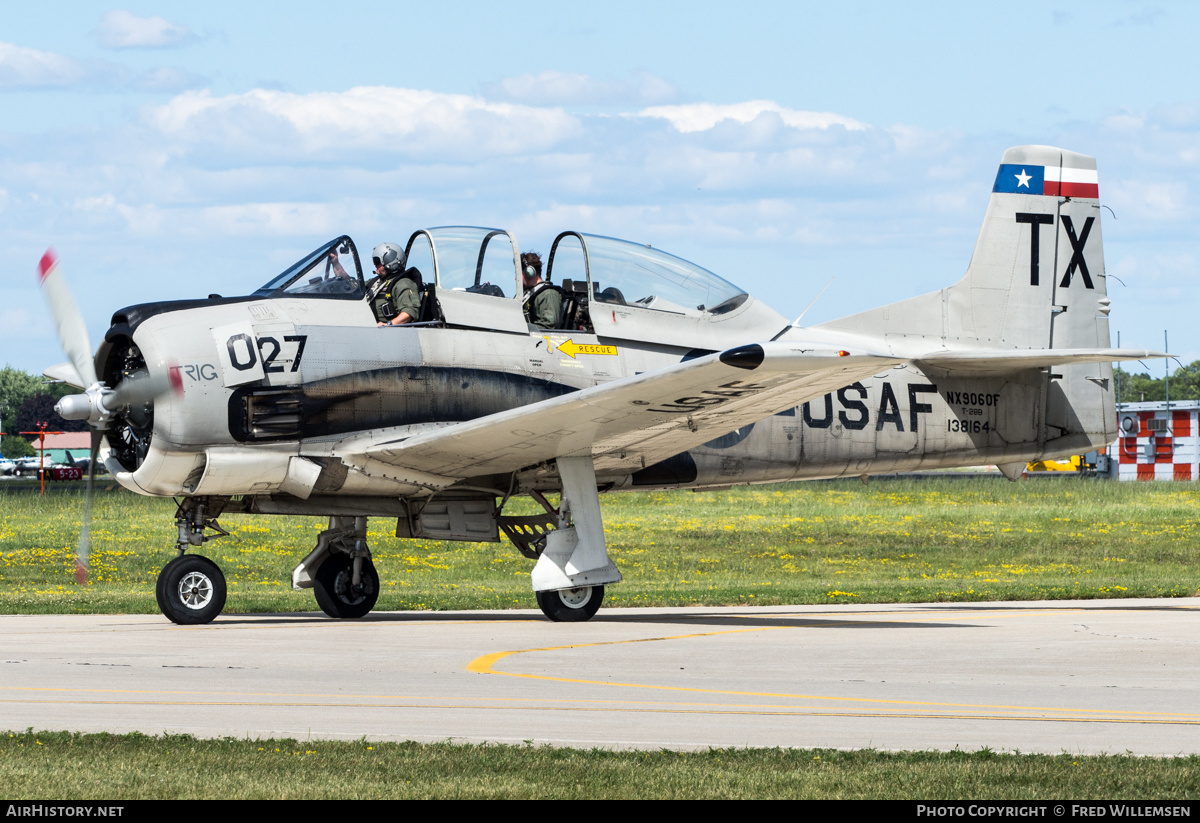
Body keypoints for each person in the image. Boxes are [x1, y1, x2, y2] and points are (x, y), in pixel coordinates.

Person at [369, 242, 421, 326]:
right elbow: (353, 287)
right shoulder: (376, 282)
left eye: (377, 262)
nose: (375, 266)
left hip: (390, 333)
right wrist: (339, 268)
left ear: (389, 261)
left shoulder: (403, 283)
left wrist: (388, 325)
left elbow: (409, 313)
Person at [520, 251, 560, 329]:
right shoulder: (527, 294)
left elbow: (550, 325)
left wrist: (523, 328)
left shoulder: (548, 294)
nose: (516, 278)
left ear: (529, 273)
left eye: (518, 274)